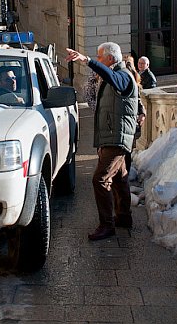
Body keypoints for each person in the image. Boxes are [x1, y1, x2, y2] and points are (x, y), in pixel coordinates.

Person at [66, 43, 138, 241]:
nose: (98, 60)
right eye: (96, 58)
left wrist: (86, 60)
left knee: (100, 179)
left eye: (100, 58)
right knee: (119, 178)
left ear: (110, 59)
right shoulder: (115, 74)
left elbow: (113, 78)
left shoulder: (122, 75)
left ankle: (107, 225)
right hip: (113, 135)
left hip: (117, 137)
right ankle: (124, 217)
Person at [123, 55, 146, 173]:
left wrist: (142, 112)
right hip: (129, 119)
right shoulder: (132, 78)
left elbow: (137, 99)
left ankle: (125, 174)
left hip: (128, 119)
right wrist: (142, 112)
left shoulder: (129, 78)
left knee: (126, 149)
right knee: (127, 149)